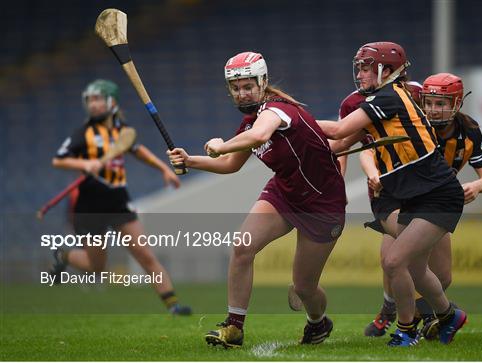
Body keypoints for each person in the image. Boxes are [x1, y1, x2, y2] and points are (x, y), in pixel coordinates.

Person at [167, 51, 346, 348]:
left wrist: (221, 146)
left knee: (304, 287)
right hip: (284, 193)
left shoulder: (276, 110)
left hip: (322, 204)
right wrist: (190, 161)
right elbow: (230, 165)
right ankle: (234, 327)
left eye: (248, 86)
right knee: (242, 246)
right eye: (235, 88)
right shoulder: (249, 123)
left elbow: (260, 136)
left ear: (262, 83)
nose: (242, 93)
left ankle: (318, 322)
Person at [317, 42, 467, 346]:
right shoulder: (380, 102)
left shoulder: (388, 97)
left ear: (386, 70)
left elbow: (336, 130)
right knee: (413, 265)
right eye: (358, 67)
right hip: (415, 196)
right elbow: (336, 145)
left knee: (394, 261)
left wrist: (288, 119)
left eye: (367, 67)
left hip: (438, 195)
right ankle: (449, 315)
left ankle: (407, 329)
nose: (360, 73)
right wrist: (275, 139)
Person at [359, 73, 482, 339]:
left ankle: (423, 315)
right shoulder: (413, 121)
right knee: (392, 261)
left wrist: (478, 185)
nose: (434, 110)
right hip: (401, 198)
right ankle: (395, 314)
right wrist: (372, 173)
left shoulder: (469, 130)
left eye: (442, 104)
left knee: (442, 276)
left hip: (437, 202)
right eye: (429, 103)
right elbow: (369, 149)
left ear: (457, 103)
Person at [49, 79, 191, 316]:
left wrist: (164, 170)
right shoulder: (83, 134)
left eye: (98, 99)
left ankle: (173, 306)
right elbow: (59, 159)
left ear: (111, 101)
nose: (93, 105)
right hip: (90, 205)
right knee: (97, 267)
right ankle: (64, 254)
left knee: (145, 255)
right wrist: (86, 163)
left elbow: (138, 150)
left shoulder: (121, 130)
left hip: (117, 200)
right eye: (90, 100)